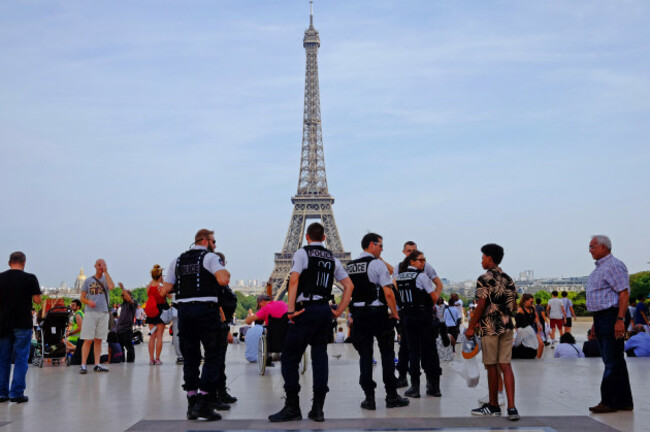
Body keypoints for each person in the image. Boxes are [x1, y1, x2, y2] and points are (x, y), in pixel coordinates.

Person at [269, 222, 353, 423]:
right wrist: (339, 311)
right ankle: (318, 409)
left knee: (289, 358)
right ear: (324, 237)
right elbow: (349, 286)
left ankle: (292, 407)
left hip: (305, 310)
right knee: (320, 358)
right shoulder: (332, 258)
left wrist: (290, 309)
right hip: (324, 310)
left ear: (306, 237)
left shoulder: (302, 253)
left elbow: (294, 280)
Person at [160, 229, 230, 421]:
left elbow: (164, 290)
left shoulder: (178, 260)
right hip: (206, 311)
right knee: (213, 356)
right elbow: (223, 279)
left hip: (184, 312)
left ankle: (191, 403)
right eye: (214, 242)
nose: (215, 246)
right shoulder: (210, 258)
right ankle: (203, 402)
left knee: (190, 358)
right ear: (206, 241)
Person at [346, 233, 409, 411]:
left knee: (365, 356)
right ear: (372, 245)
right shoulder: (377, 264)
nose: (382, 249)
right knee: (387, 354)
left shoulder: (350, 266)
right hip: (377, 313)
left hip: (359, 314)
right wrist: (395, 313)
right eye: (381, 245)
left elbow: (348, 290)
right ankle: (391, 395)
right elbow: (388, 292)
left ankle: (369, 398)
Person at [465, 243, 519, 421]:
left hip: (490, 327)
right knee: (505, 365)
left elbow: (481, 304)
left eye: (482, 257)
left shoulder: (484, 278)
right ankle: (511, 407)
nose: (481, 260)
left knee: (491, 366)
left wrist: (471, 326)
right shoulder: (509, 279)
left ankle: (493, 405)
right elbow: (514, 307)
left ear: (489, 258)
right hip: (507, 326)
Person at [585, 235, 633, 413]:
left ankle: (609, 401)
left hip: (612, 316)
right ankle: (624, 401)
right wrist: (595, 324)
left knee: (611, 360)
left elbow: (623, 293)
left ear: (604, 247)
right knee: (615, 360)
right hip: (602, 317)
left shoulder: (613, 266)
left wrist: (619, 319)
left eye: (592, 247)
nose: (589, 250)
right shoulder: (600, 268)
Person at [393, 241, 444, 389]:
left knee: (411, 348)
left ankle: (414, 384)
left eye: (414, 251)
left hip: (408, 312)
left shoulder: (406, 270)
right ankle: (432, 384)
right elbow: (434, 290)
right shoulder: (420, 273)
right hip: (420, 312)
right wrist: (432, 301)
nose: (411, 253)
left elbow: (396, 288)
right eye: (409, 251)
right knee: (423, 348)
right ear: (405, 253)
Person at [0, 251, 42, 403]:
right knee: (21, 359)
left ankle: (1, 393)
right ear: (24, 262)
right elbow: (37, 300)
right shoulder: (30, 278)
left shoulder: (1, 278)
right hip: (23, 323)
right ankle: (16, 393)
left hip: (3, 323)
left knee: (3, 359)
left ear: (9, 262)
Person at [79, 259, 115, 374]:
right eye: (99, 265)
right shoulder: (88, 280)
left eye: (103, 265)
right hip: (90, 313)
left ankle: (97, 364)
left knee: (98, 339)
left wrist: (106, 272)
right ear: (95, 266)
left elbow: (111, 287)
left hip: (103, 312)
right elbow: (82, 297)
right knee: (88, 339)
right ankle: (83, 364)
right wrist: (88, 302)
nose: (101, 267)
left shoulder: (106, 279)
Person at [213, 252, 238, 410]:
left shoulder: (216, 279)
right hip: (218, 325)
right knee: (217, 362)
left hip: (220, 324)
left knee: (219, 362)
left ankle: (220, 392)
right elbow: (218, 305)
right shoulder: (215, 280)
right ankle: (216, 395)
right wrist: (225, 326)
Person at [145, 265, 169, 366]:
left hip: (151, 312)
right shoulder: (161, 288)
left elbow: (150, 297)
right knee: (159, 336)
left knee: (152, 336)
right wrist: (163, 282)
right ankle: (157, 359)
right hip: (160, 312)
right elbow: (169, 295)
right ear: (160, 276)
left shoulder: (148, 287)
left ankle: (151, 359)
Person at [511, 294, 544, 360]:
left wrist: (539, 324)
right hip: (524, 330)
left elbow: (536, 317)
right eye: (531, 302)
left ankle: (537, 358)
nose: (532, 303)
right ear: (525, 301)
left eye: (533, 302)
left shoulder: (533, 308)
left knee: (541, 344)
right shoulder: (521, 309)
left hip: (532, 329)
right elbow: (518, 321)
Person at [115, 287, 137, 363]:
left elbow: (130, 300)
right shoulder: (123, 305)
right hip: (120, 329)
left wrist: (122, 288)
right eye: (122, 295)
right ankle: (122, 360)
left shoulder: (132, 303)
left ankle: (130, 362)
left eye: (124, 295)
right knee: (120, 347)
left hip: (127, 329)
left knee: (129, 347)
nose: (123, 297)